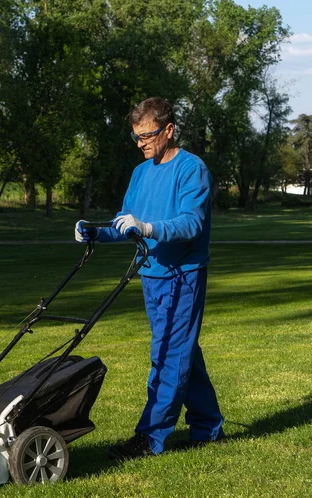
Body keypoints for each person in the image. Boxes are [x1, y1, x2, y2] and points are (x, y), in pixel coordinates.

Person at [75, 97, 224, 459]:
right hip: (151, 275)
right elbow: (126, 223)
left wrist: (149, 227)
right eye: (136, 137)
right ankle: (208, 427)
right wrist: (95, 231)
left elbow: (192, 223)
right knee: (182, 351)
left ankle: (149, 437)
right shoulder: (141, 172)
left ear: (169, 130)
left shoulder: (192, 169)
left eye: (147, 135)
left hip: (183, 275)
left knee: (168, 355)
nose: (141, 143)